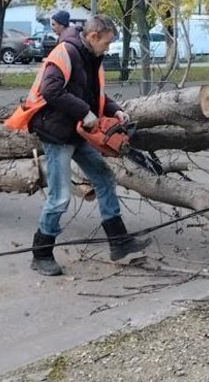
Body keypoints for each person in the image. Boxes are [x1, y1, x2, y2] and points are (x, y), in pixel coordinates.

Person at [26, 15, 149, 276]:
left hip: (76, 133)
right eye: (107, 42)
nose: (108, 48)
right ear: (93, 37)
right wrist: (84, 112)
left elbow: (94, 93)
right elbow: (50, 91)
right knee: (59, 197)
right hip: (57, 133)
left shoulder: (91, 57)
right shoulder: (66, 52)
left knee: (104, 177)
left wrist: (115, 110)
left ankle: (119, 243)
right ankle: (41, 255)